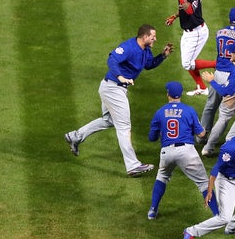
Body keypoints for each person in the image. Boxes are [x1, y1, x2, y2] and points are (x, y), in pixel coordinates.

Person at [64, 24, 173, 176]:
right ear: (145, 36)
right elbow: (112, 60)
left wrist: (163, 55)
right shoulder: (129, 47)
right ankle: (133, 165)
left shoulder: (146, 49)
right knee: (124, 127)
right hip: (113, 88)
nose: (155, 38)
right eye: (153, 36)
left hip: (115, 89)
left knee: (109, 120)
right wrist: (120, 76)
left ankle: (75, 136)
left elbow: (148, 65)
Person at [183, 118, 235, 239]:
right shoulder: (230, 148)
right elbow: (215, 170)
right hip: (225, 181)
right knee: (224, 217)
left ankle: (232, 228)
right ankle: (191, 231)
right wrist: (209, 192)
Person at [147, 82, 218, 220]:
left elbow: (152, 138)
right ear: (180, 95)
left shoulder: (160, 112)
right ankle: (218, 215)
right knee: (203, 183)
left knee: (162, 177)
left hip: (167, 152)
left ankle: (152, 210)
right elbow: (201, 134)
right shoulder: (189, 110)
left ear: (168, 94)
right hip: (186, 151)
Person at [165, 0, 213, 96]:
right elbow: (183, 9)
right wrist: (174, 17)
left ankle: (217, 64)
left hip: (197, 33)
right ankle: (202, 88)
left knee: (187, 63)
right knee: (189, 61)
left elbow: (190, 10)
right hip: (188, 32)